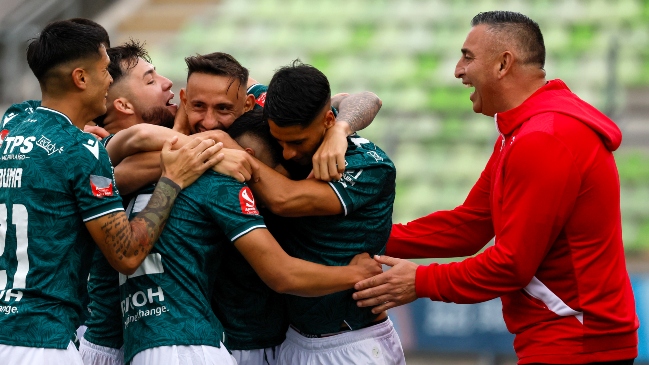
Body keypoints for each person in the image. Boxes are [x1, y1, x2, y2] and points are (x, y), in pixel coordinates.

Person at [353, 10, 639, 365]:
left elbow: (512, 265)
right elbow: (470, 225)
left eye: (467, 57)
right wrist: (358, 236)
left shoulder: (545, 138)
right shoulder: (523, 130)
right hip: (563, 340)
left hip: (576, 344)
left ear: (503, 64)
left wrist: (422, 281)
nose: (458, 70)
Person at [0, 19, 221, 365]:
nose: (109, 81)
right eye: (105, 70)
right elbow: (128, 255)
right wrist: (172, 180)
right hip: (42, 343)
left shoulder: (12, 123)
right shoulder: (82, 150)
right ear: (81, 78)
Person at [118, 115, 383, 365]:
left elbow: (360, 99)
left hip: (171, 341)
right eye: (198, 106)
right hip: (190, 345)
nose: (209, 119)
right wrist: (355, 274)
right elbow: (281, 274)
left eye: (221, 108)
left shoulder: (262, 115)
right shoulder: (221, 184)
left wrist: (340, 128)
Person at [79, 40, 253, 365]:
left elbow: (337, 101)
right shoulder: (95, 155)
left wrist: (338, 128)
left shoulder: (151, 147)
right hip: (115, 343)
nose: (167, 83)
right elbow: (133, 150)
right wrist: (214, 152)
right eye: (150, 79)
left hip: (161, 340)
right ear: (123, 105)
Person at [244, 61, 404, 364]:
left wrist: (236, 153)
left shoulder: (369, 166)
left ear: (327, 120)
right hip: (293, 339)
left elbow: (284, 200)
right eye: (279, 142)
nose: (288, 152)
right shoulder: (286, 108)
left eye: (297, 142)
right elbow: (230, 79)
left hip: (352, 343)